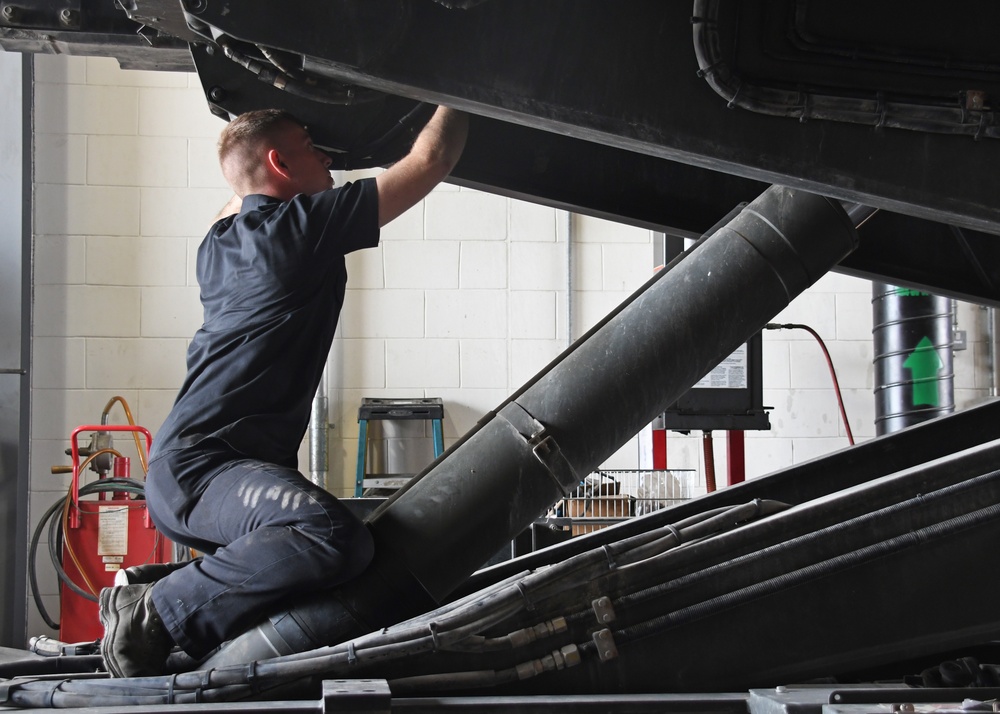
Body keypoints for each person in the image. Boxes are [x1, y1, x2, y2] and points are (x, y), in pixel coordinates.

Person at [98, 105, 469, 678]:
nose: (326, 157)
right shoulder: (297, 227)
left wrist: (258, 138)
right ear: (278, 161)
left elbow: (239, 189)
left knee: (323, 551)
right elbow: (431, 160)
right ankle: (150, 614)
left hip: (194, 469)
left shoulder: (219, 241)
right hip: (209, 467)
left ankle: (159, 591)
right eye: (309, 144)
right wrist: (460, 91)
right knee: (329, 536)